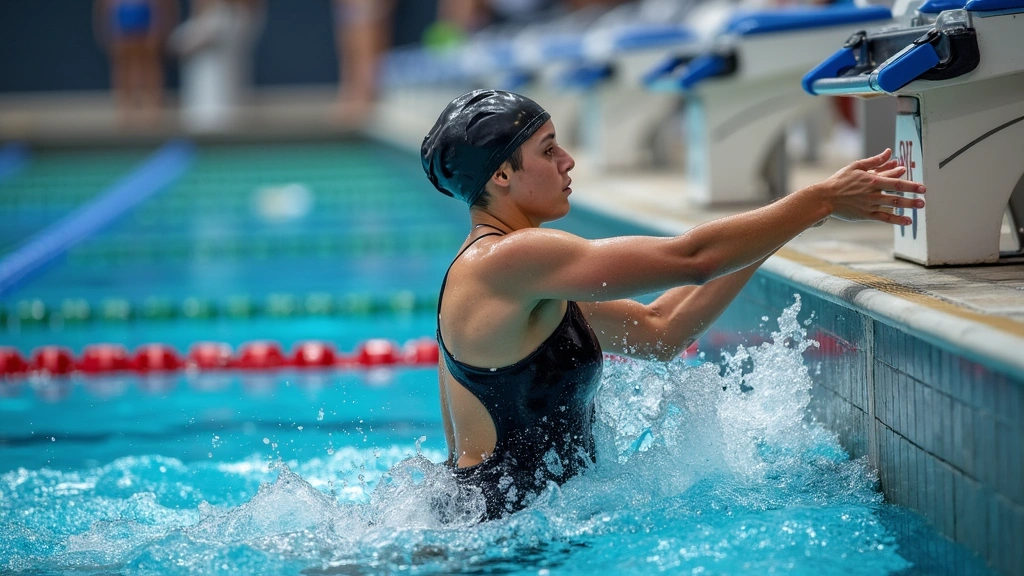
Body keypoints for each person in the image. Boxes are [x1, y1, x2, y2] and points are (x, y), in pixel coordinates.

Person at [421, 89, 925, 520]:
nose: (567, 160)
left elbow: (663, 329)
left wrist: (789, 222)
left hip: (521, 524)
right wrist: (821, 199)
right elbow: (692, 258)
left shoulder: (525, 282)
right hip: (494, 538)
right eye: (548, 149)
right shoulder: (508, 260)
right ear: (501, 177)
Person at [94, 0, 178, 126]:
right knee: (124, 64)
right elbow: (104, 6)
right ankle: (125, 108)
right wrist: (107, 29)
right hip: (122, 17)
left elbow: (165, 5)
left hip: (147, 16)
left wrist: (160, 25)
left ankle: (152, 106)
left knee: (149, 63)